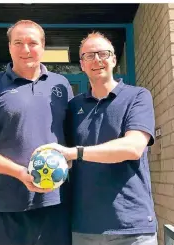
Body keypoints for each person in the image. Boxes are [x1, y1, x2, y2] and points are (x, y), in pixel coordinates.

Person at [34, 32, 158, 245]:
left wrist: (76, 152)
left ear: (113, 59)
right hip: (85, 228)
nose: (97, 60)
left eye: (103, 53)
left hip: (132, 227)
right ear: (82, 64)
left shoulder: (137, 96)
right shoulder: (74, 107)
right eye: (89, 56)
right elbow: (67, 160)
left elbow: (134, 147)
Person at [0, 20, 73, 245]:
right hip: (5, 207)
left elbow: (71, 141)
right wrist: (20, 173)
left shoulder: (61, 85)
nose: (26, 49)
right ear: (9, 47)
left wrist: (67, 163)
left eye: (33, 43)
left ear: (43, 47)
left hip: (55, 206)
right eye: (18, 42)